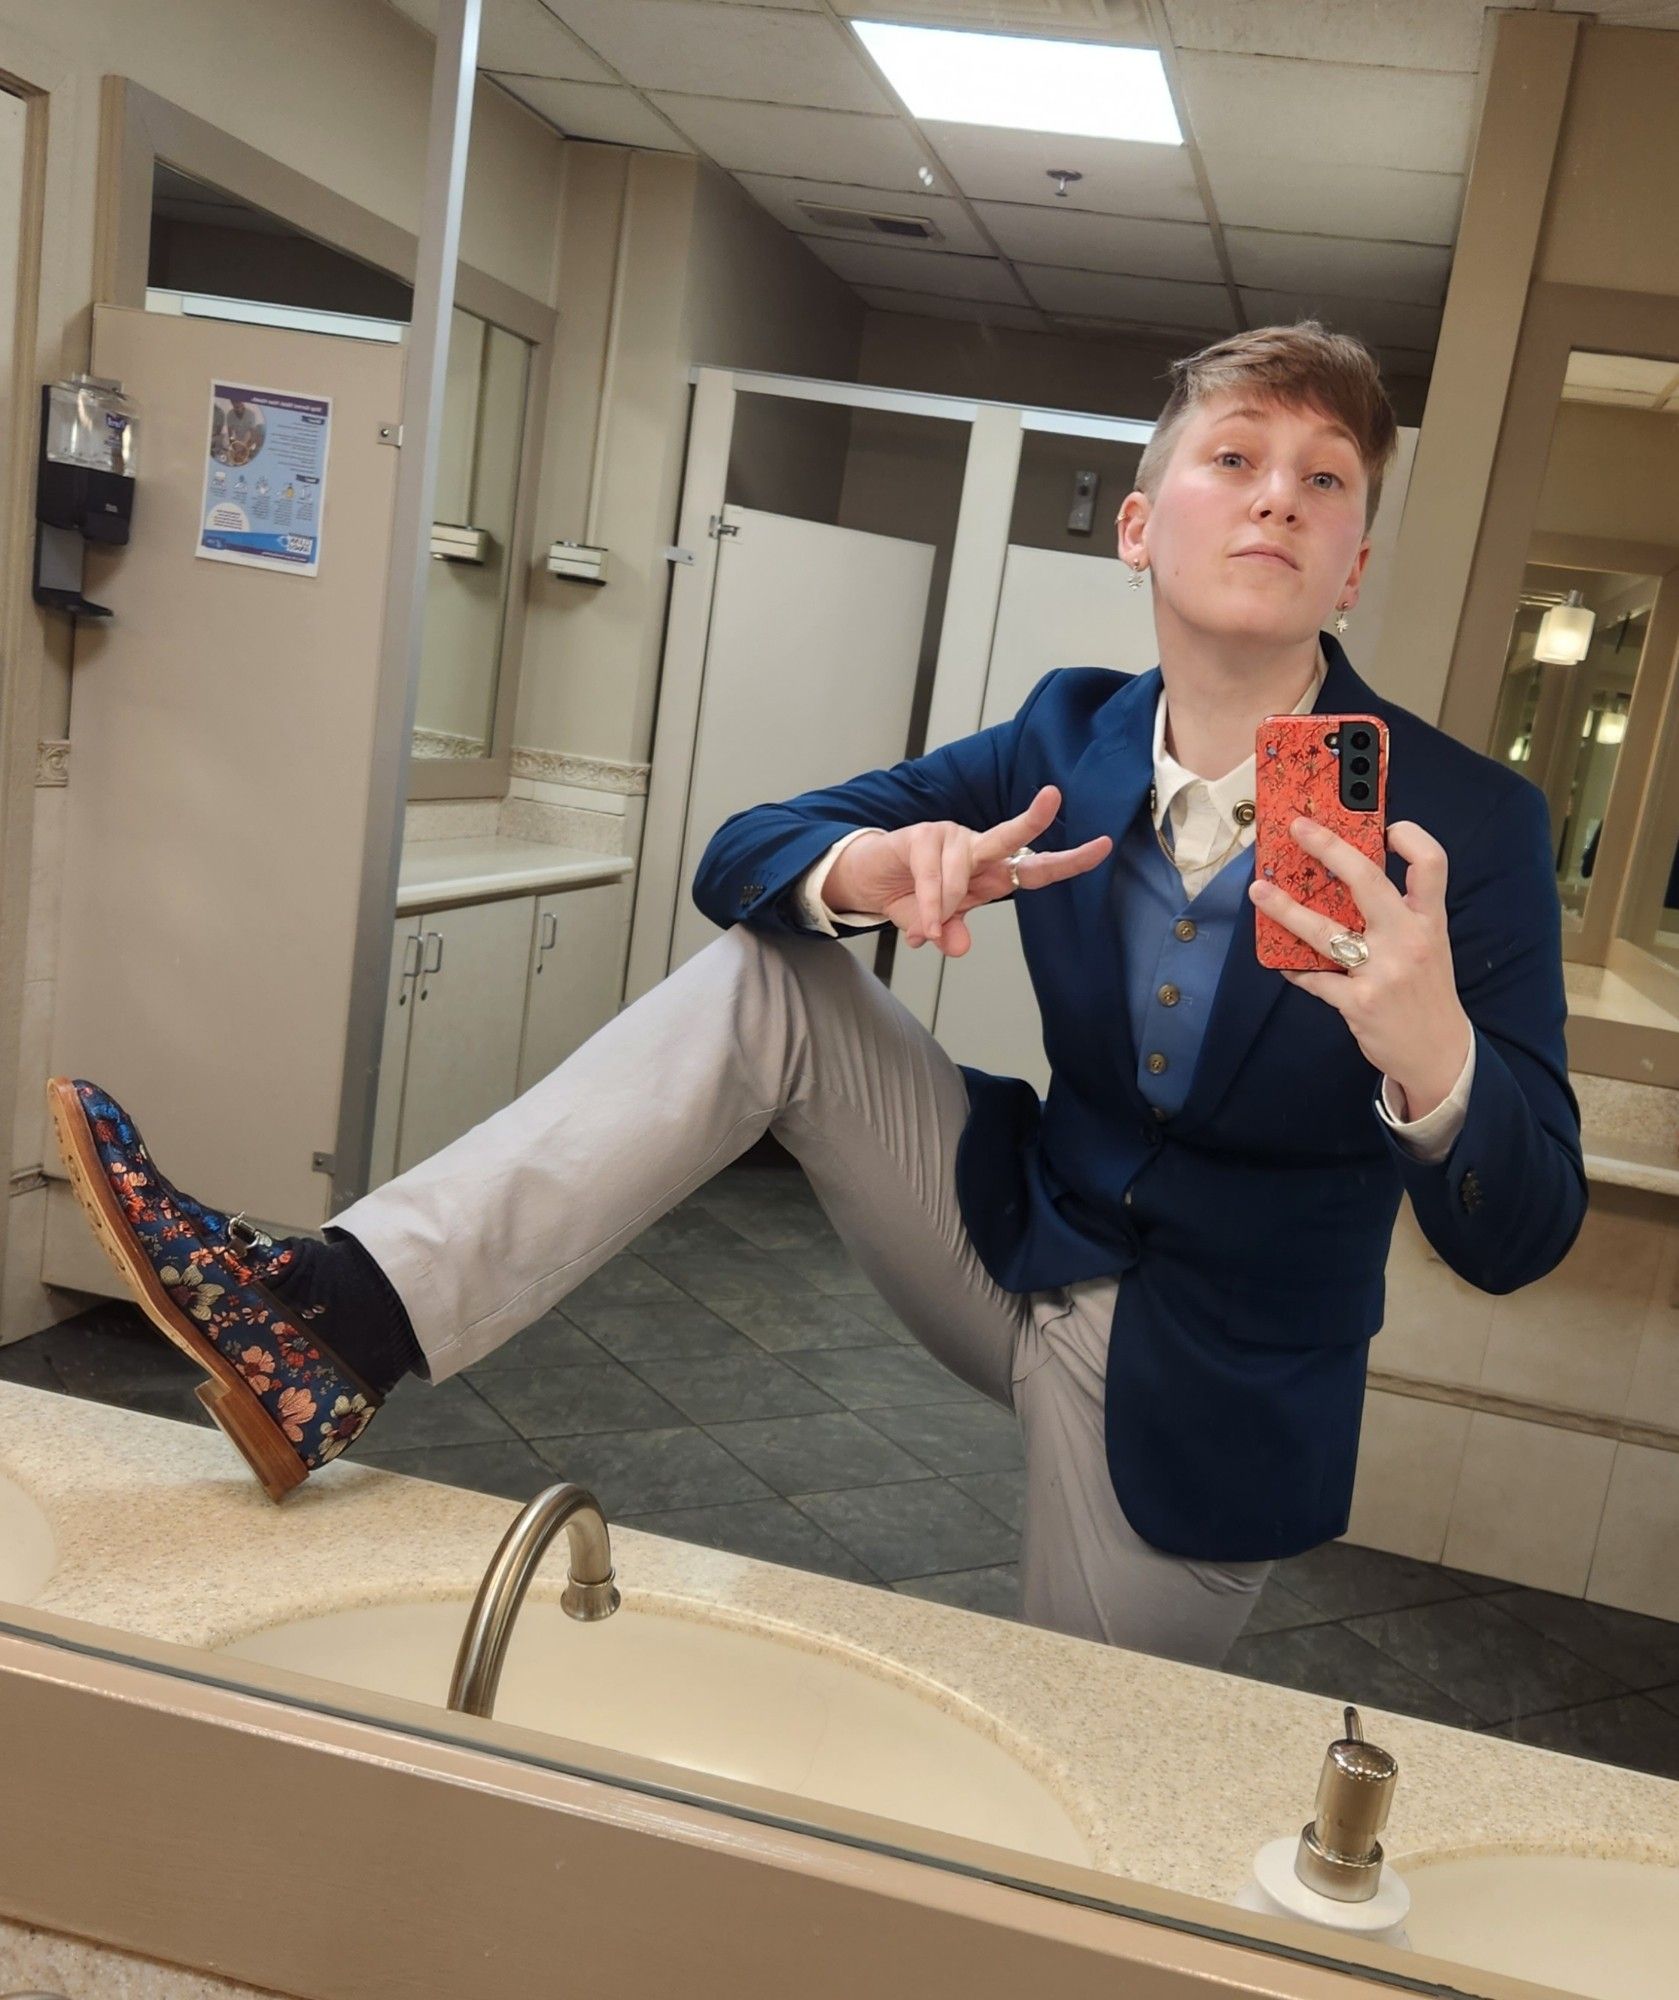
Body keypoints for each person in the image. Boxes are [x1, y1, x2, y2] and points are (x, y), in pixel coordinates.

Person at [49, 321, 1587, 1670]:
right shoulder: (1068, 735)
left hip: (1222, 1381)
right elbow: (740, 852)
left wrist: (1432, 1056)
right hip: (1007, 1238)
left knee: (1081, 1799)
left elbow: (1521, 1234)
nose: (1277, 495)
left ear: (1357, 561)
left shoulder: (1471, 825)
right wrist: (868, 872)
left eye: (1327, 480)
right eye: (1238, 456)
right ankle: (339, 1321)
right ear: (1136, 527)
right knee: (766, 981)